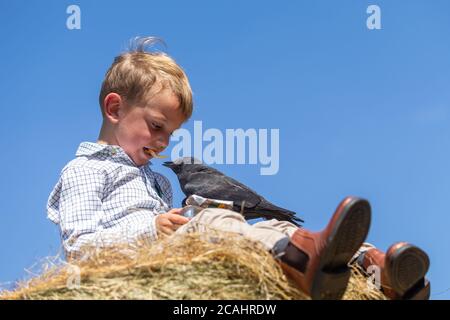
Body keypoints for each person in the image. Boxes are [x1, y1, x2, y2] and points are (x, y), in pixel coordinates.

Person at [47, 36, 429, 300]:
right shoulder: (84, 171)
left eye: (171, 132)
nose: (163, 141)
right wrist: (151, 228)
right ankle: (301, 263)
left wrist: (172, 221)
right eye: (156, 126)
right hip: (153, 251)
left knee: (273, 226)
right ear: (114, 110)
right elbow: (79, 249)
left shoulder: (158, 181)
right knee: (216, 224)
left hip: (177, 243)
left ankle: (375, 268)